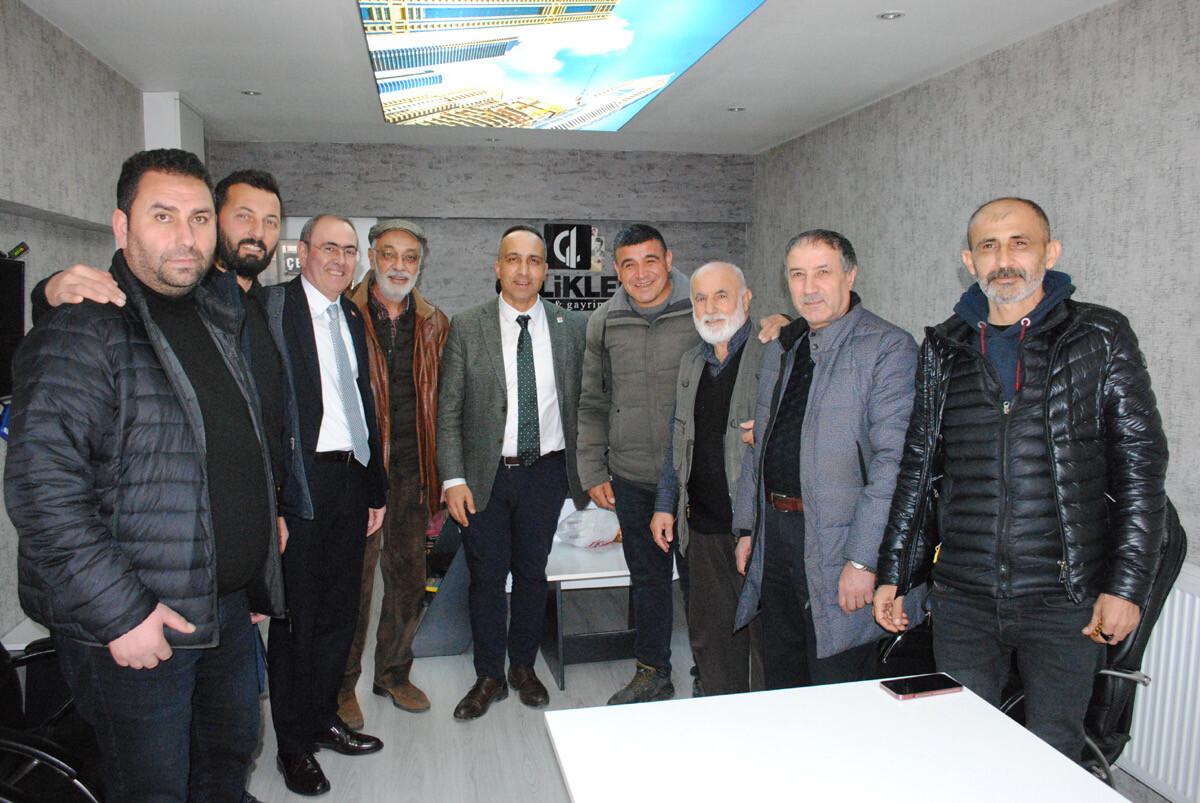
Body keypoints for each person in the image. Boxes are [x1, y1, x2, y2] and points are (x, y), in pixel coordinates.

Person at [5, 149, 283, 801]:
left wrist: (256, 550)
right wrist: (121, 614)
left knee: (227, 759)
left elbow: (227, 446)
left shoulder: (213, 317)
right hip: (138, 621)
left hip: (222, 605)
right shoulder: (81, 329)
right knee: (153, 786)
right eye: (163, 216)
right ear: (121, 226)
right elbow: (43, 494)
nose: (186, 236)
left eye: (198, 218)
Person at [874, 198, 1168, 759]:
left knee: (1052, 753)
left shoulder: (1100, 334)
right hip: (962, 596)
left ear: (1049, 253)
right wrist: (895, 571)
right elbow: (918, 468)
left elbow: (1141, 467)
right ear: (969, 261)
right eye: (988, 246)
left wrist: (1126, 587)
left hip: (1064, 599)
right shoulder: (945, 347)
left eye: (1019, 243)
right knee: (962, 748)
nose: (1003, 259)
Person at [732, 230, 919, 690]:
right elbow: (761, 448)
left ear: (850, 276)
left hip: (840, 543)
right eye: (798, 275)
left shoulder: (888, 348)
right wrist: (748, 528)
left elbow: (894, 467)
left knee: (837, 683)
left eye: (822, 272)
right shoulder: (784, 348)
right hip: (776, 538)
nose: (809, 287)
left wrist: (863, 561)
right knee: (783, 675)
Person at [436, 225, 589, 720]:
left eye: (534, 260)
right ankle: (489, 675)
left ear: (545, 270)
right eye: (513, 259)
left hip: (546, 473)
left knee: (531, 574)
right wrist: (453, 478)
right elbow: (448, 410)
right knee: (486, 578)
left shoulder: (572, 327)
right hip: (485, 476)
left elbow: (589, 403)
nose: (524, 270)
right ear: (498, 267)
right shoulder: (468, 325)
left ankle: (523, 666)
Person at [261, 214, 389, 796]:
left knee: (341, 612)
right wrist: (273, 503)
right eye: (329, 248)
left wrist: (374, 487)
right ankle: (292, 745)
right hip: (299, 485)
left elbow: (362, 402)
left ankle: (321, 718)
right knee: (297, 620)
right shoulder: (270, 309)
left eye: (349, 250)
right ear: (303, 251)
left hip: (350, 478)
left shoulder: (351, 316)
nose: (340, 260)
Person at [576, 224, 700, 704]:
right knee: (647, 582)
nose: (641, 273)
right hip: (631, 477)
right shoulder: (604, 322)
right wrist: (592, 470)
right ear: (616, 269)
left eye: (651, 260)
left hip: (693, 478)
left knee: (702, 585)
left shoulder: (700, 307)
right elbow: (593, 401)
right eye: (629, 264)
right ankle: (652, 673)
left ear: (669, 260)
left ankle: (712, 670)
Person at [338, 218, 449, 727]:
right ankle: (343, 686)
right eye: (389, 254)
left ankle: (393, 674)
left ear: (420, 264)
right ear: (371, 257)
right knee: (354, 587)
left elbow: (444, 402)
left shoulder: (434, 322)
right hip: (360, 475)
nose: (399, 266)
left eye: (410, 257)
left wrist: (443, 477)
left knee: (408, 581)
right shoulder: (344, 313)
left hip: (413, 474)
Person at [649, 262, 765, 696]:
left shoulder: (774, 354)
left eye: (721, 295)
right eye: (701, 298)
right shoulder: (691, 362)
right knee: (711, 641)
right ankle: (720, 717)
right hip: (701, 531)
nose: (711, 307)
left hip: (756, 531)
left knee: (765, 645)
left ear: (746, 299)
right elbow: (676, 440)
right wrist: (665, 504)